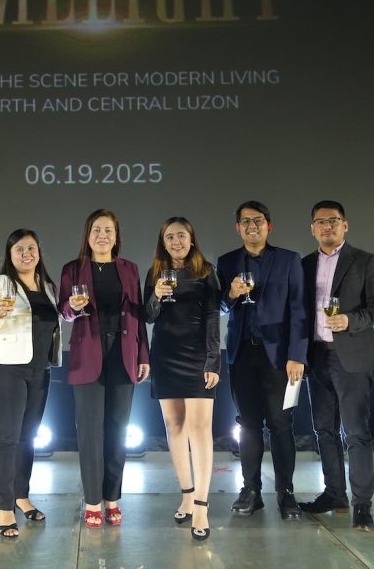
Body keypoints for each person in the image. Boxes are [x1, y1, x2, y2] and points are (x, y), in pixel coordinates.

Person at [298, 200, 374, 532]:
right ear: (312, 228)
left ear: (345, 225)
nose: (327, 226)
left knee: (355, 433)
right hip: (316, 355)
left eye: (333, 220)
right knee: (324, 430)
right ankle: (334, 494)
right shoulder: (305, 264)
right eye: (320, 222)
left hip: (351, 356)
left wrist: (351, 320)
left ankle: (362, 504)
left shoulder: (365, 261)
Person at [58, 209, 150, 529]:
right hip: (88, 356)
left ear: (116, 236)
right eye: (96, 229)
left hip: (123, 355)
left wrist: (144, 356)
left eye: (108, 230)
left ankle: (112, 498)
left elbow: (138, 316)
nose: (102, 235)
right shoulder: (72, 269)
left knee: (117, 431)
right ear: (87, 234)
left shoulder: (129, 269)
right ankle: (93, 501)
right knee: (89, 433)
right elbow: (63, 311)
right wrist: (73, 308)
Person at [216, 200, 308, 520]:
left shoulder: (289, 260)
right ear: (237, 228)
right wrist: (231, 294)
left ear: (269, 226)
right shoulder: (227, 261)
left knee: (281, 425)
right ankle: (251, 491)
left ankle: (286, 493)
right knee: (249, 425)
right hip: (241, 354)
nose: (251, 226)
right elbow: (219, 307)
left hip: (281, 358)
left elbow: (299, 310)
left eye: (257, 220)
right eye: (245, 221)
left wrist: (297, 354)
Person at [0, 229, 61, 539]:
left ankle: (21, 495)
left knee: (28, 437)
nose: (26, 253)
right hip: (7, 368)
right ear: (10, 255)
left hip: (40, 368)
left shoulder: (48, 286)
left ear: (39, 252)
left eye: (31, 248)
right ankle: (4, 506)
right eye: (19, 249)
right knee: (8, 437)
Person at [143, 217, 221, 541]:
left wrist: (213, 360)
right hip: (165, 355)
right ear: (163, 242)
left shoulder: (206, 271)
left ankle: (201, 505)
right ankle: (187, 495)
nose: (176, 242)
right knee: (174, 425)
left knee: (200, 429)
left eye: (181, 236)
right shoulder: (155, 272)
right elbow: (147, 315)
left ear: (191, 238)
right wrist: (156, 296)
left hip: (197, 356)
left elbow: (213, 316)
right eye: (170, 237)